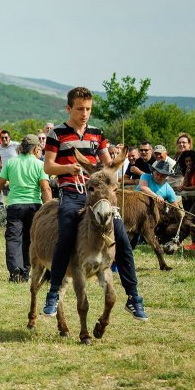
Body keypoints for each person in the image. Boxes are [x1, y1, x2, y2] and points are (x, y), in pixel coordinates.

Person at [42, 87, 148, 322]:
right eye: (80, 109)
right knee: (66, 231)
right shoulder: (57, 134)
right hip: (72, 191)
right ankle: (53, 292)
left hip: (98, 194)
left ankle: (133, 297)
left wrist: (114, 170)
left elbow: (108, 165)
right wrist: (68, 168)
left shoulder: (97, 134)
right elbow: (48, 167)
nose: (84, 114)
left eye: (88, 109)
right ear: (69, 108)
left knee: (121, 235)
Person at [0, 134, 51, 282]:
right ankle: (25, 271)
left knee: (13, 238)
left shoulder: (11, 163)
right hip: (34, 206)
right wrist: (49, 210)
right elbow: (45, 188)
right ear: (36, 148)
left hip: (15, 205)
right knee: (29, 239)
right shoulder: (39, 164)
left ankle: (15, 271)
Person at [176, 150, 195, 251]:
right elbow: (187, 184)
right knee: (188, 219)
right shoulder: (191, 170)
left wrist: (184, 188)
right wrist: (187, 173)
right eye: (186, 162)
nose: (188, 163)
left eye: (190, 161)